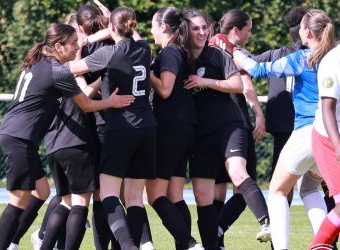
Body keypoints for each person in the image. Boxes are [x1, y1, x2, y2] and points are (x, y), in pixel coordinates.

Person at [0, 23, 135, 250]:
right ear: (58, 47)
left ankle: (19, 242)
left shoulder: (36, 63)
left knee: (42, 191)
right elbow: (87, 105)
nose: (77, 46)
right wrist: (111, 101)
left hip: (14, 134)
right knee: (19, 200)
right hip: (19, 138)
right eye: (73, 43)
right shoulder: (57, 71)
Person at [210, 9, 335, 250]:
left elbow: (256, 69)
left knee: (277, 191)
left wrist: (230, 48)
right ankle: (323, 244)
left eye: (300, 28)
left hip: (306, 132)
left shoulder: (301, 58)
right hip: (328, 135)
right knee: (309, 187)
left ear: (307, 32)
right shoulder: (334, 57)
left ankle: (281, 248)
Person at [70, 7, 157, 250]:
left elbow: (73, 70)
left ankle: (128, 247)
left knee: (108, 194)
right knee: (134, 199)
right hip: (148, 127)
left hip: (121, 127)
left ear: (111, 28)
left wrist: (78, 48)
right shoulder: (144, 48)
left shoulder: (109, 53)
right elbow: (136, 36)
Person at [183, 9, 270, 249]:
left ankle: (266, 223)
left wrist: (259, 114)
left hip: (233, 125)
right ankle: (216, 238)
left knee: (239, 178)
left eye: (204, 28)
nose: (202, 33)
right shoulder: (184, 55)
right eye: (249, 29)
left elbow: (242, 83)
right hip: (205, 131)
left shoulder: (221, 52)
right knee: (211, 194)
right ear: (235, 30)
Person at [146, 7, 203, 250]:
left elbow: (165, 90)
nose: (150, 31)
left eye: (152, 25)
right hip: (185, 127)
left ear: (163, 27)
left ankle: (190, 244)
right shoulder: (180, 50)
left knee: (155, 196)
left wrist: (145, 70)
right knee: (176, 196)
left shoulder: (170, 52)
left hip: (170, 127)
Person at [211, 9, 266, 249]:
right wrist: (259, 114)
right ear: (235, 31)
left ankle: (216, 237)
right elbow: (246, 84)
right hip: (235, 124)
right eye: (248, 29)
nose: (250, 34)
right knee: (242, 184)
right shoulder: (232, 51)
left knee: (220, 191)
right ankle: (267, 222)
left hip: (212, 126)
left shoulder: (211, 46)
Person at [309, 42, 340, 249]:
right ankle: (318, 245)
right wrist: (338, 146)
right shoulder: (333, 60)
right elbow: (328, 108)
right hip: (329, 139)